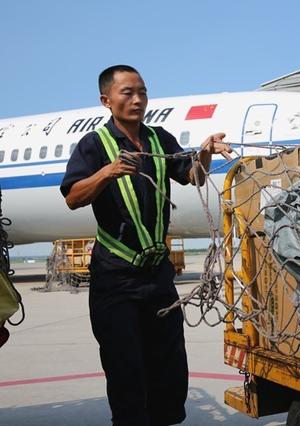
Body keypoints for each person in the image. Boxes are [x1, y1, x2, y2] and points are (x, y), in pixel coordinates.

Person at [60, 64, 232, 425]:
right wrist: (107, 172)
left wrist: (205, 151)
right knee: (126, 370)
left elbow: (193, 176)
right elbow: (73, 197)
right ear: (106, 100)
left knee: (170, 367)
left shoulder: (159, 139)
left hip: (157, 275)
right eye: (128, 93)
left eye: (142, 92)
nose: (138, 99)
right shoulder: (93, 146)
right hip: (115, 277)